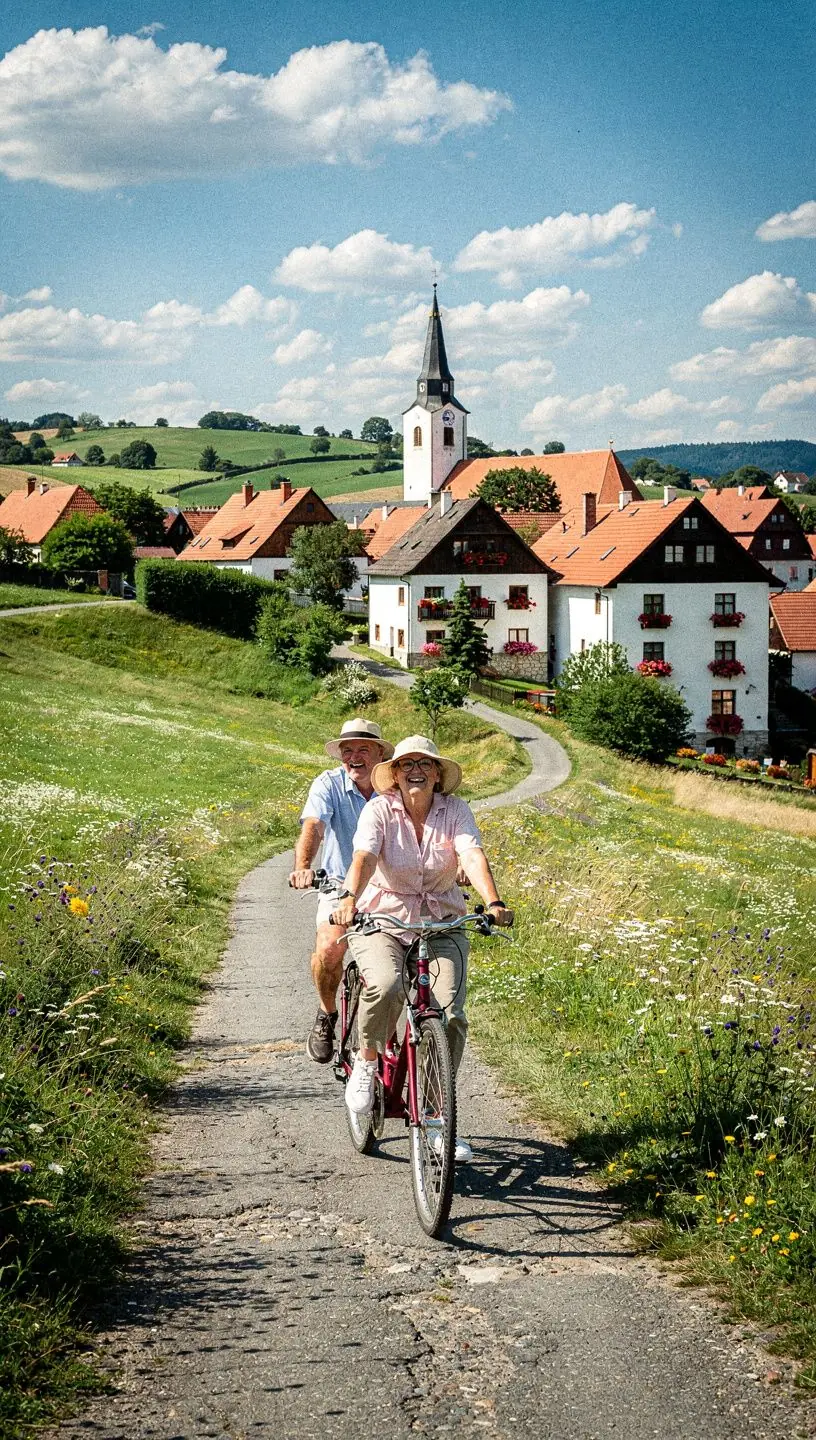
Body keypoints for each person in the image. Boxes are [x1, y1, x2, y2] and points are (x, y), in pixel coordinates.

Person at [331, 734, 513, 1163]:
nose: (416, 770)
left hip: (443, 921)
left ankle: (435, 1116)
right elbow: (365, 857)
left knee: (450, 1016)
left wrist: (494, 901)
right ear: (393, 774)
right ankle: (368, 1059)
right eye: (406, 764)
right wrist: (349, 898)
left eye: (425, 764)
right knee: (388, 984)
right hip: (384, 920)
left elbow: (471, 855)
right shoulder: (379, 810)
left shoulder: (456, 811)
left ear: (437, 774)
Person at [290, 718, 393, 1063]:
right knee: (329, 950)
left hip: (390, 889)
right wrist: (303, 867)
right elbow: (314, 827)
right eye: (347, 750)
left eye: (363, 749)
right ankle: (326, 1013)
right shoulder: (328, 784)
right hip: (338, 884)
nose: (354, 756)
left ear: (380, 753)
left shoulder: (396, 786)